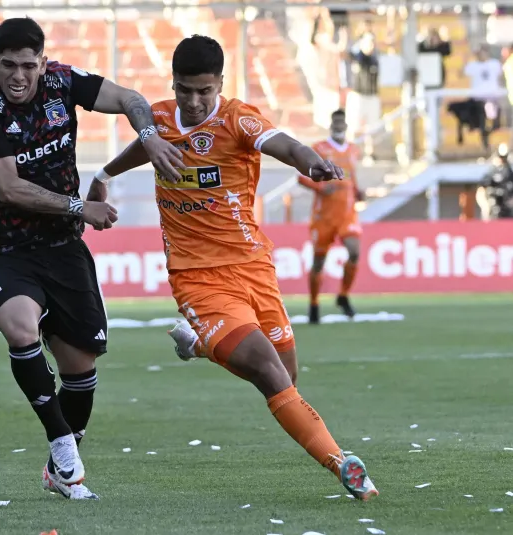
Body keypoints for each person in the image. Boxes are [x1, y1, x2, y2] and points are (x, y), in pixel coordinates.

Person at [88, 35, 379, 501]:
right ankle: (342, 463)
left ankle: (201, 342)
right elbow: (147, 148)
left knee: (287, 376)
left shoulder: (237, 118)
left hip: (253, 267)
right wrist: (104, 176)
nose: (195, 100)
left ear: (220, 83)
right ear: (174, 84)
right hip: (197, 278)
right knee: (267, 372)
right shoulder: (158, 119)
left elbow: (280, 142)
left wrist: (310, 161)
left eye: (205, 90)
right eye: (185, 90)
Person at [0, 17, 184, 501]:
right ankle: (62, 442)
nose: (18, 76)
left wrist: (149, 137)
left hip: (63, 248)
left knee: (80, 369)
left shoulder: (63, 81)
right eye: (7, 65)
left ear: (42, 62)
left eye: (27, 65)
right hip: (6, 250)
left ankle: (59, 467)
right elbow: (9, 188)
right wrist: (83, 207)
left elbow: (130, 99)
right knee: (21, 327)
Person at [297, 109, 363, 324]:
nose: (339, 125)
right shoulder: (319, 148)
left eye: (342, 122)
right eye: (335, 121)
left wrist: (358, 189)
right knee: (319, 262)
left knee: (354, 252)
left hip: (347, 214)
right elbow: (302, 177)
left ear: (346, 124)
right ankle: (314, 304)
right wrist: (321, 187)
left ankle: (343, 296)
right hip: (323, 216)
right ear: (331, 124)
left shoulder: (354, 149)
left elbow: (352, 176)